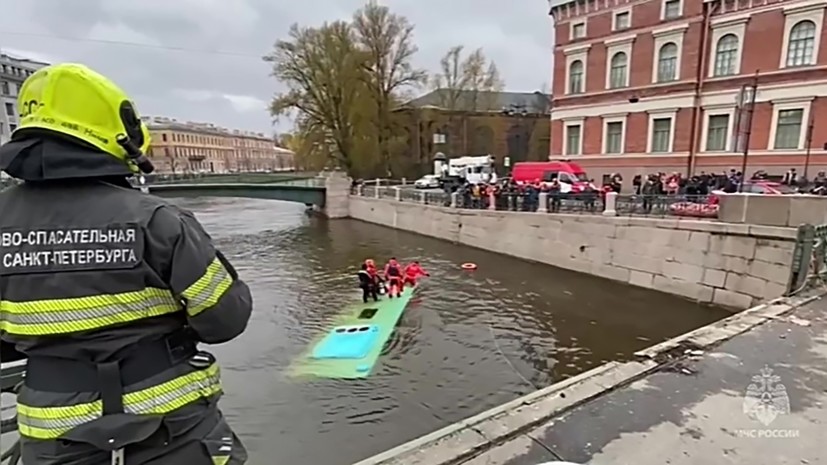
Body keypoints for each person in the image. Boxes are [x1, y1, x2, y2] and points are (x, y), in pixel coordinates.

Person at [0, 63, 252, 464]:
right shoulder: (158, 220)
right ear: (119, 133)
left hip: (52, 432)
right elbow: (225, 320)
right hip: (171, 428)